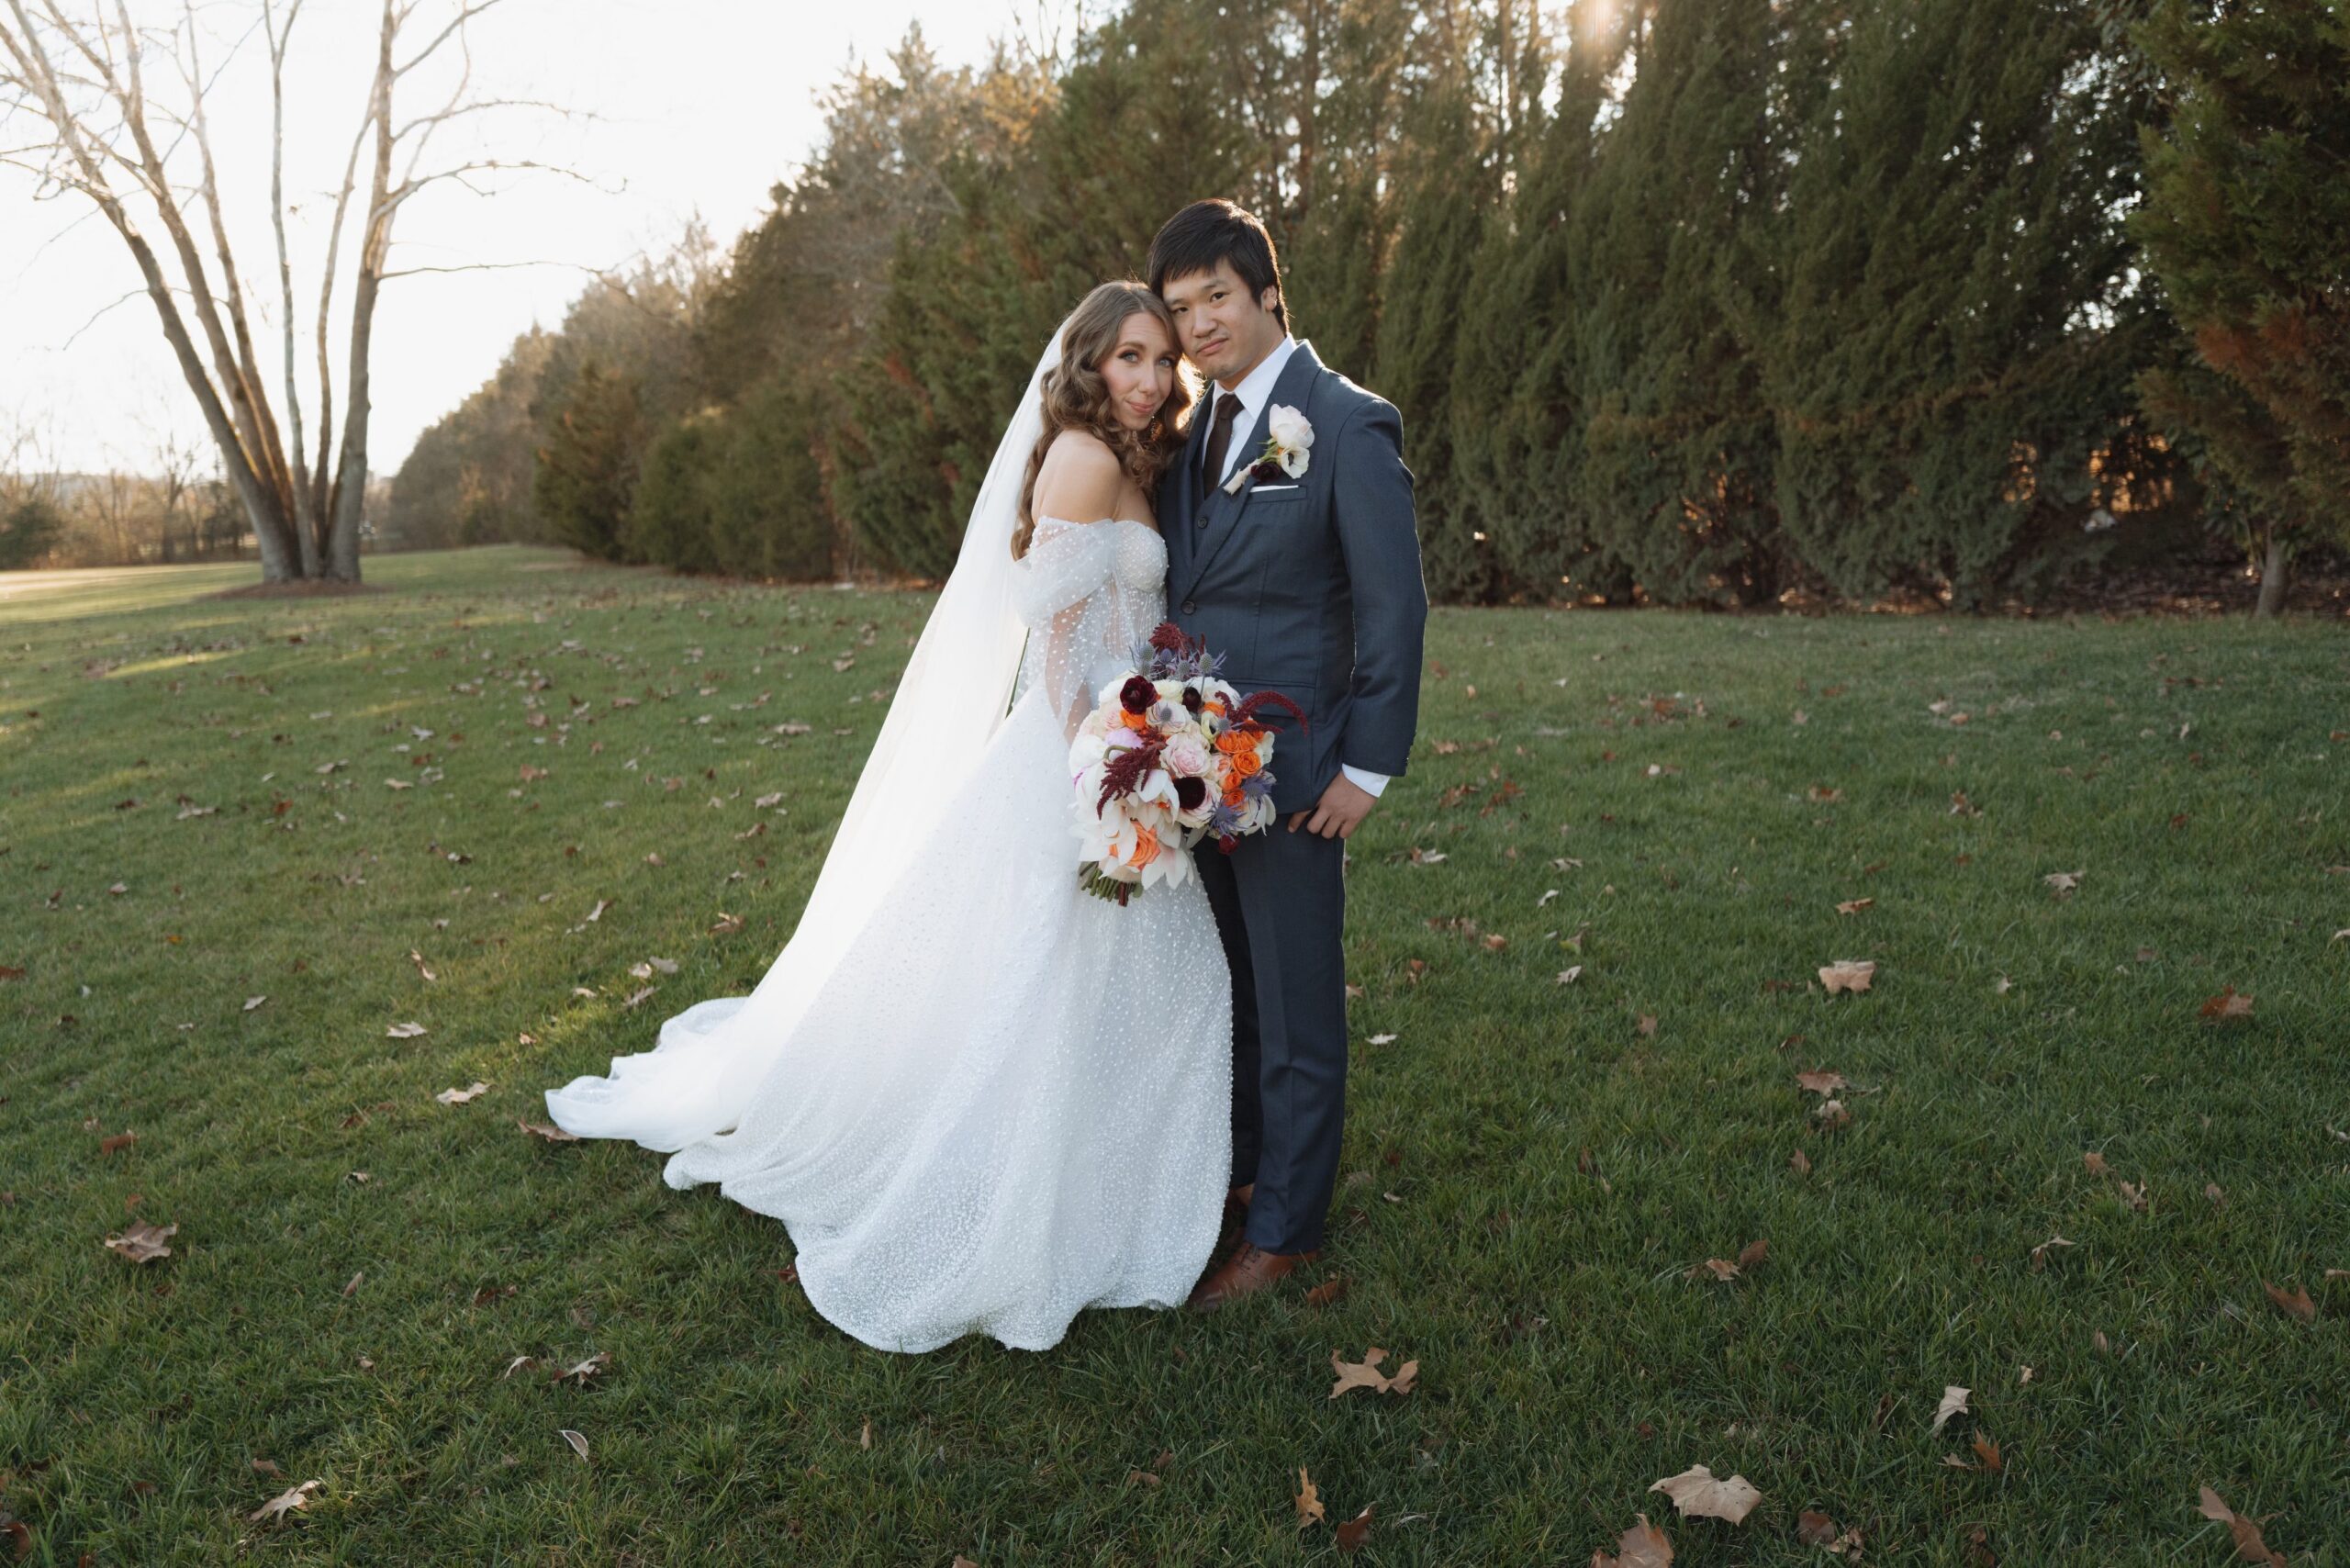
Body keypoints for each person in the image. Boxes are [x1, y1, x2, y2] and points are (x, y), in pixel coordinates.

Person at [543, 281, 1232, 1354]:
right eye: (1127, 359)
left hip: (1129, 741)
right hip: (1077, 756)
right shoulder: (1084, 459)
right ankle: (1025, 1189)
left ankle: (1110, 1175)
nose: (1148, 380)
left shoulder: (1134, 460)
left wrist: (1155, 743)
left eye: (1160, 361)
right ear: (1090, 363)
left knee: (1127, 981)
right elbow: (1052, 645)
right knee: (1051, 978)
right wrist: (1102, 776)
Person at [1148, 199, 1428, 1309]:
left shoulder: (1344, 423)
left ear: (1268, 293)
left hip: (1303, 774)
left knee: (1300, 1002)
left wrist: (1368, 766)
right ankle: (1251, 1174)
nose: (1199, 324)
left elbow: (1392, 607)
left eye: (1215, 296)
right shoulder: (1195, 429)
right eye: (1179, 310)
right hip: (1193, 765)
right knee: (1239, 992)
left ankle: (1289, 1231)